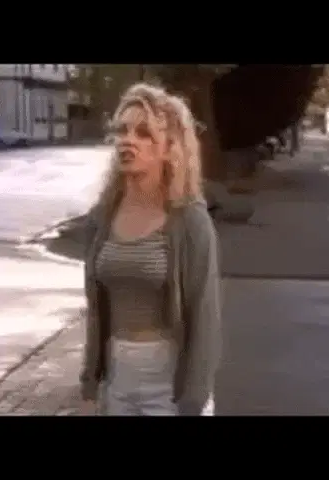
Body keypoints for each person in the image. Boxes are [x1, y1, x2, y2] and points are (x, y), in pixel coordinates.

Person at [79, 83, 221, 416]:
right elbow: (96, 311)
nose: (127, 140)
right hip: (117, 379)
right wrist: (89, 385)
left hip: (169, 384)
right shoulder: (101, 218)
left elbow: (204, 316)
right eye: (122, 131)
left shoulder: (189, 220)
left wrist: (193, 399)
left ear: (169, 147)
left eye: (144, 133)